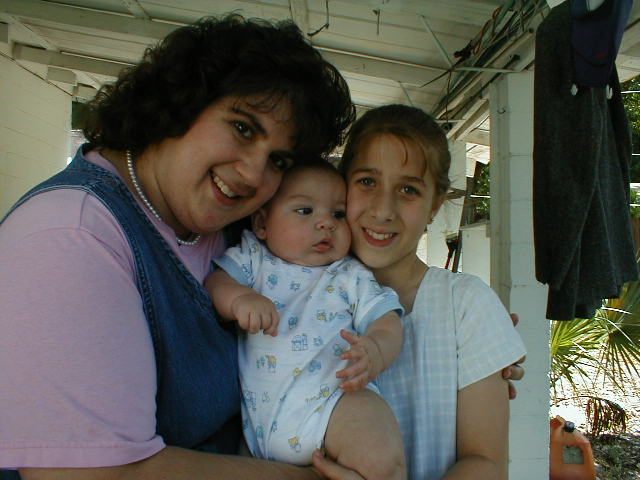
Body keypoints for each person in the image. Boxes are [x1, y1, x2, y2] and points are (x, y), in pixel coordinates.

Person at [0, 14, 355, 480]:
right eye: (243, 128)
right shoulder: (71, 237)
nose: (253, 174)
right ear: (181, 103)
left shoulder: (235, 227)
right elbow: (95, 475)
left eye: (278, 160)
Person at [311, 105, 528, 480]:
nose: (383, 210)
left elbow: (486, 463)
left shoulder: (465, 306)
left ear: (435, 205)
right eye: (367, 182)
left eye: (408, 189)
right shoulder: (299, 290)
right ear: (342, 184)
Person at [206, 161, 406, 479]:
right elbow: (216, 283)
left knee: (378, 457)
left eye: (338, 214)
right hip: (260, 426)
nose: (326, 223)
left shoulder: (348, 274)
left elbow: (387, 320)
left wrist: (377, 350)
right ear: (262, 224)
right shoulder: (253, 259)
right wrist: (239, 299)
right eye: (305, 211)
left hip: (336, 404)